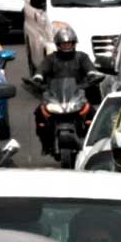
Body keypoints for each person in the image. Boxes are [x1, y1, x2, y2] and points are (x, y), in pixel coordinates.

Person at [32, 26, 101, 155]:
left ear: (74, 44)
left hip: (77, 94)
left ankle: (93, 143)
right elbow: (42, 69)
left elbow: (90, 68)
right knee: (39, 113)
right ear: (58, 45)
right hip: (55, 96)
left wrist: (92, 75)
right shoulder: (51, 59)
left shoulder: (82, 57)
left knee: (93, 113)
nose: (66, 46)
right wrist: (38, 77)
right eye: (63, 44)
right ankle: (46, 144)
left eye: (69, 43)